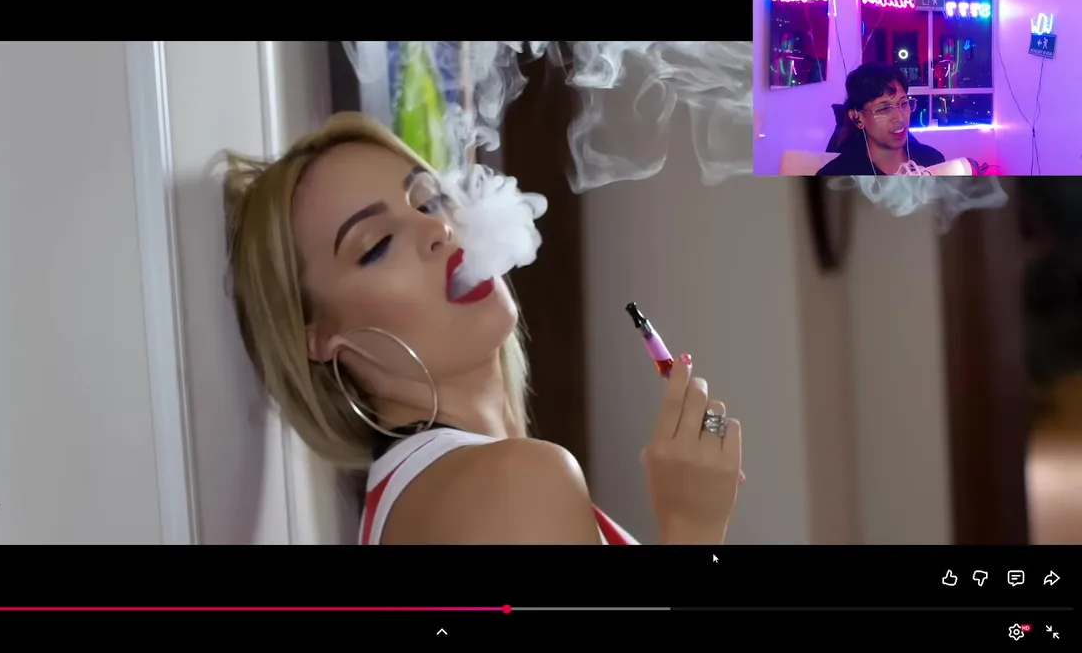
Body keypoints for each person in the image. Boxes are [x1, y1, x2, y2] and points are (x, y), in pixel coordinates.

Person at [222, 112, 743, 544]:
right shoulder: (512, 483)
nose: (438, 228)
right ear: (320, 338)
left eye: (430, 200)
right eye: (377, 245)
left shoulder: (445, 490)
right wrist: (694, 525)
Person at [817, 62, 945, 176]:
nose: (900, 118)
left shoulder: (933, 162)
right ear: (857, 118)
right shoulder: (834, 177)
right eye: (884, 109)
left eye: (903, 103)